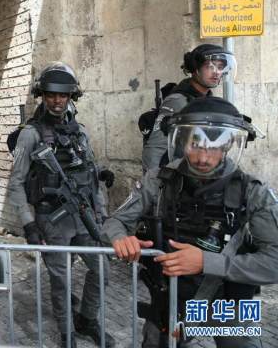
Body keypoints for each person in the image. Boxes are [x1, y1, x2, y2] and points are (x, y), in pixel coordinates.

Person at [103, 97, 278, 348]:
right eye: (195, 144)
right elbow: (114, 222)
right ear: (182, 141)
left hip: (227, 303)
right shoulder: (159, 181)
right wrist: (120, 238)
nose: (203, 158)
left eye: (214, 147)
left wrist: (206, 262)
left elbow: (274, 261)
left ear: (228, 145)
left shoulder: (252, 192)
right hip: (170, 297)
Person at [8, 62, 115, 347]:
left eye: (63, 95)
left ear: (71, 97)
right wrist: (29, 224)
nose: (57, 100)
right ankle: (67, 333)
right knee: (61, 282)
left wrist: (102, 213)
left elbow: (90, 177)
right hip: (52, 219)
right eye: (51, 95)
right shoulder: (30, 134)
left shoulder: (80, 132)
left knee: (102, 270)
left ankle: (87, 320)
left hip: (83, 215)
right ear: (42, 96)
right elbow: (16, 182)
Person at [142, 44, 236, 172]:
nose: (217, 72)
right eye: (210, 66)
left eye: (220, 67)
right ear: (195, 68)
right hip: (178, 173)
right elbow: (155, 148)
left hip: (198, 171)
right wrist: (154, 180)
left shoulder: (207, 101)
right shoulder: (178, 101)